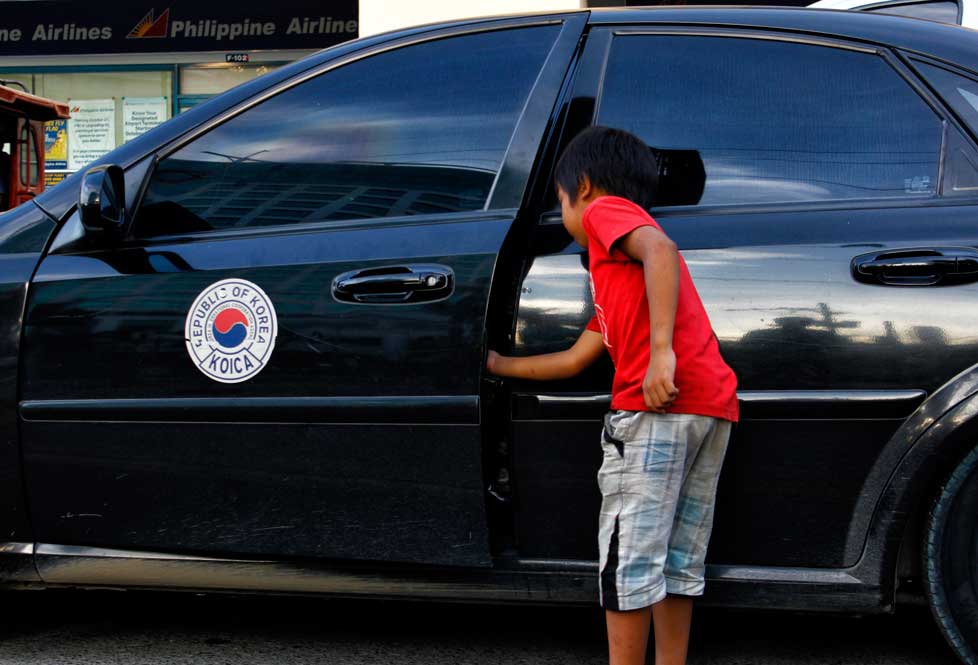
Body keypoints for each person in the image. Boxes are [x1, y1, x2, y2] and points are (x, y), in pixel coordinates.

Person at [486, 126, 738, 665]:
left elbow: (661, 249)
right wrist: (496, 364)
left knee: (628, 562)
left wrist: (661, 353)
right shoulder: (616, 283)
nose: (565, 218)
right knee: (677, 559)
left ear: (582, 187)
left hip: (656, 412)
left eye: (559, 201)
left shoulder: (605, 212)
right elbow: (576, 359)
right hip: (710, 408)